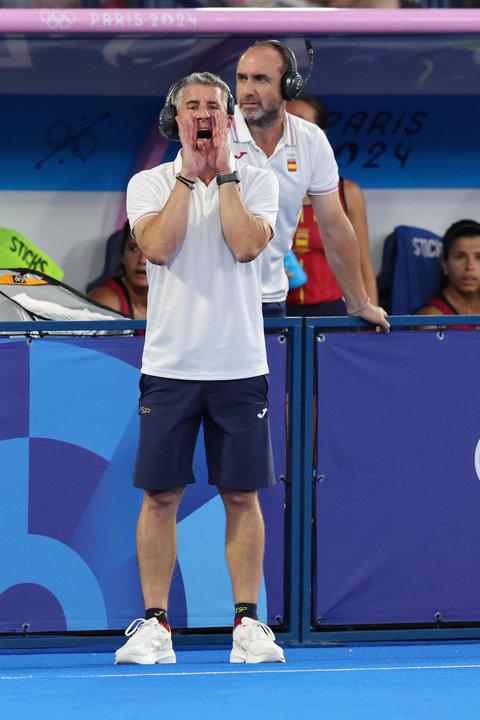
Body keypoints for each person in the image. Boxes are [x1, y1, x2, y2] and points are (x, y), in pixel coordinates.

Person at [114, 72, 285, 666]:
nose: (205, 116)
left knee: (242, 495)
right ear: (175, 119)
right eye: (193, 107)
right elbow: (158, 247)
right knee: (160, 495)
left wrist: (227, 173)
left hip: (239, 363)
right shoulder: (149, 183)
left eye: (215, 107)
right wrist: (189, 175)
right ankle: (156, 626)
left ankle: (247, 625)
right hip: (170, 364)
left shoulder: (259, 182)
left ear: (230, 119)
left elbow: (244, 246)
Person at [229, 39, 389, 331]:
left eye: (261, 79)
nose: (247, 90)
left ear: (290, 86)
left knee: (271, 379)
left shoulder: (311, 139)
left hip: (271, 299)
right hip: (215, 299)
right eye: (242, 78)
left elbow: (334, 227)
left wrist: (359, 302)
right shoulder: (215, 134)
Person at [285, 95, 378, 316]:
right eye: (284, 123)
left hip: (332, 315)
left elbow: (363, 265)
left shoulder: (348, 193)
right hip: (277, 311)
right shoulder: (262, 187)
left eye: (299, 122)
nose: (290, 131)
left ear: (321, 135)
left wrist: (370, 310)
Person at [414, 219, 480, 330]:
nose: (470, 267)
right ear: (444, 263)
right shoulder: (431, 319)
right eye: (460, 257)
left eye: (479, 257)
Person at [88, 222, 148, 321]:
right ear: (122, 255)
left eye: (149, 249)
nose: (142, 260)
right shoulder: (107, 300)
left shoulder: (176, 301)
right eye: (133, 249)